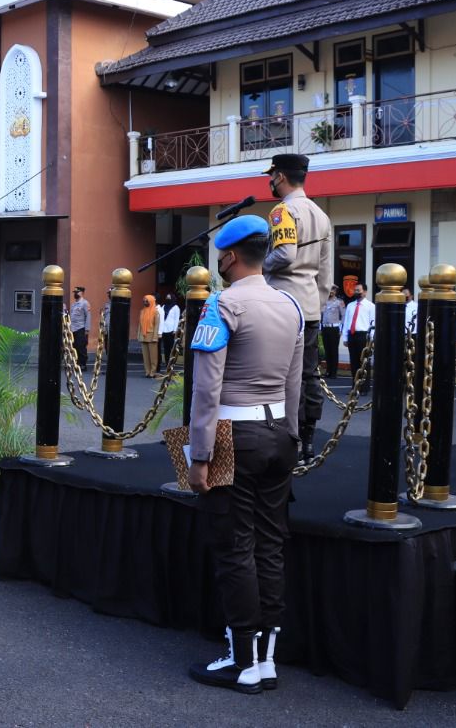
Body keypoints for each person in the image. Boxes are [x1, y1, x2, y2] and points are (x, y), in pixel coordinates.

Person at [187, 214, 304, 695]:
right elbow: (295, 382)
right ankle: (268, 659)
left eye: (220, 255)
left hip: (233, 433)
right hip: (278, 432)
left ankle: (242, 661)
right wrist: (290, 435)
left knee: (235, 547)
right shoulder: (290, 306)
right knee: (271, 544)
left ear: (230, 257)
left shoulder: (221, 305)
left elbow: (206, 389)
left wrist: (199, 454)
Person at [261, 153, 332, 463]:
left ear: (280, 177)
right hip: (309, 306)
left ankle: (285, 438)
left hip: (282, 304)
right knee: (309, 375)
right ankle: (308, 440)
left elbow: (285, 255)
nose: (269, 181)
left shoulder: (282, 211)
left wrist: (259, 267)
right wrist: (314, 304)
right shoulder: (321, 214)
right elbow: (326, 275)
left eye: (272, 175)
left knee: (281, 375)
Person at [342, 283, 374, 394]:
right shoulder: (350, 305)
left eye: (358, 290)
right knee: (354, 362)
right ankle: (354, 387)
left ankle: (364, 388)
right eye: (355, 290)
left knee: (364, 363)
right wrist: (345, 337)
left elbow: (373, 324)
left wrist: (372, 339)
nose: (356, 292)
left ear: (365, 292)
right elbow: (346, 322)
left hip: (364, 336)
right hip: (352, 335)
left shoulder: (371, 306)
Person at [321, 287, 343, 379]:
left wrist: (341, 329)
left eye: (333, 290)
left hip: (334, 328)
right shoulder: (323, 302)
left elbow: (343, 315)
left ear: (335, 291)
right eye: (330, 290)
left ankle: (334, 372)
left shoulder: (339, 302)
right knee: (327, 350)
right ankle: (328, 371)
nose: (331, 292)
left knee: (333, 351)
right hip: (325, 328)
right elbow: (321, 315)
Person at [138, 294, 161, 377]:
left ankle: (153, 372)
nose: (145, 302)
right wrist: (139, 335)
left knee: (153, 356)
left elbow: (156, 325)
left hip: (151, 336)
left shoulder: (155, 312)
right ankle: (147, 371)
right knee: (145, 356)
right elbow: (140, 325)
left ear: (151, 301)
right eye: (144, 301)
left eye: (146, 301)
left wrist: (155, 337)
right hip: (143, 336)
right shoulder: (142, 311)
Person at [70, 286, 90, 370]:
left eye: (77, 292)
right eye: (74, 292)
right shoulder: (73, 304)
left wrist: (87, 329)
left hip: (81, 328)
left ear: (81, 293)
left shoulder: (85, 303)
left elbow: (88, 316)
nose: (75, 294)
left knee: (81, 346)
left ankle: (83, 364)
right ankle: (77, 363)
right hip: (73, 329)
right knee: (75, 346)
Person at [160, 293, 180, 367]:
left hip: (171, 330)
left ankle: (171, 363)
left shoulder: (176, 307)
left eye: (169, 297)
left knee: (171, 348)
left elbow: (176, 319)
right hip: (164, 329)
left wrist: (175, 330)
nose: (167, 299)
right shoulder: (163, 306)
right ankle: (166, 362)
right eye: (167, 297)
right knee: (165, 348)